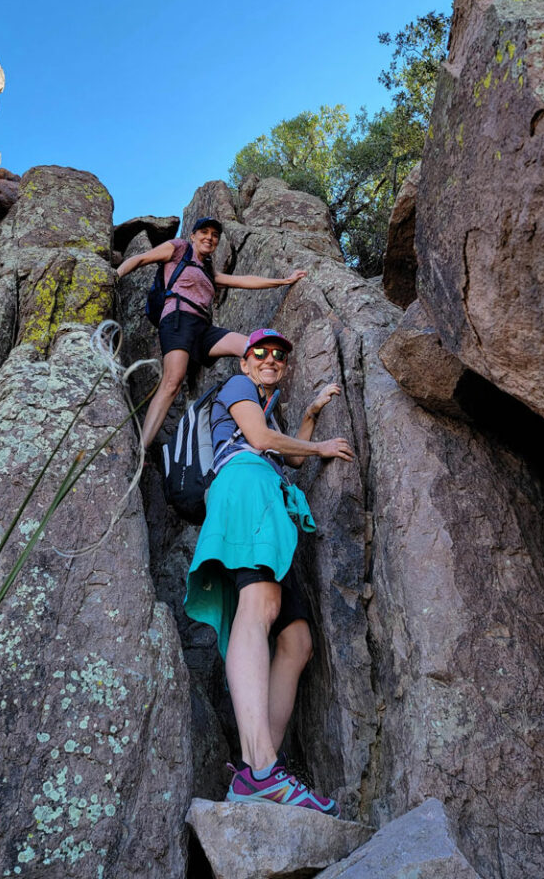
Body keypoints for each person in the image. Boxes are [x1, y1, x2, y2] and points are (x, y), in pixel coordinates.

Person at [184, 328, 354, 816]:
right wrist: (321, 445)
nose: (270, 359)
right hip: (244, 493)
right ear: (244, 361)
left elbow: (290, 456)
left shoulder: (267, 407)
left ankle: (260, 776)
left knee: (296, 641)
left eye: (279, 355)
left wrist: (311, 415)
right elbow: (259, 441)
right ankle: (261, 768)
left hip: (268, 504)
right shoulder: (237, 390)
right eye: (260, 352)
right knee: (260, 607)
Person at [116, 217, 306, 448]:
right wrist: (115, 276)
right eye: (204, 232)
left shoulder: (208, 269)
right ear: (193, 236)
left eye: (215, 235)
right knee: (172, 383)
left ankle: (259, 411)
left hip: (203, 328)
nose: (209, 237)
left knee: (255, 349)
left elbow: (243, 280)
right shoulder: (179, 249)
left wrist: (283, 281)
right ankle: (142, 449)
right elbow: (141, 258)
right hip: (178, 318)